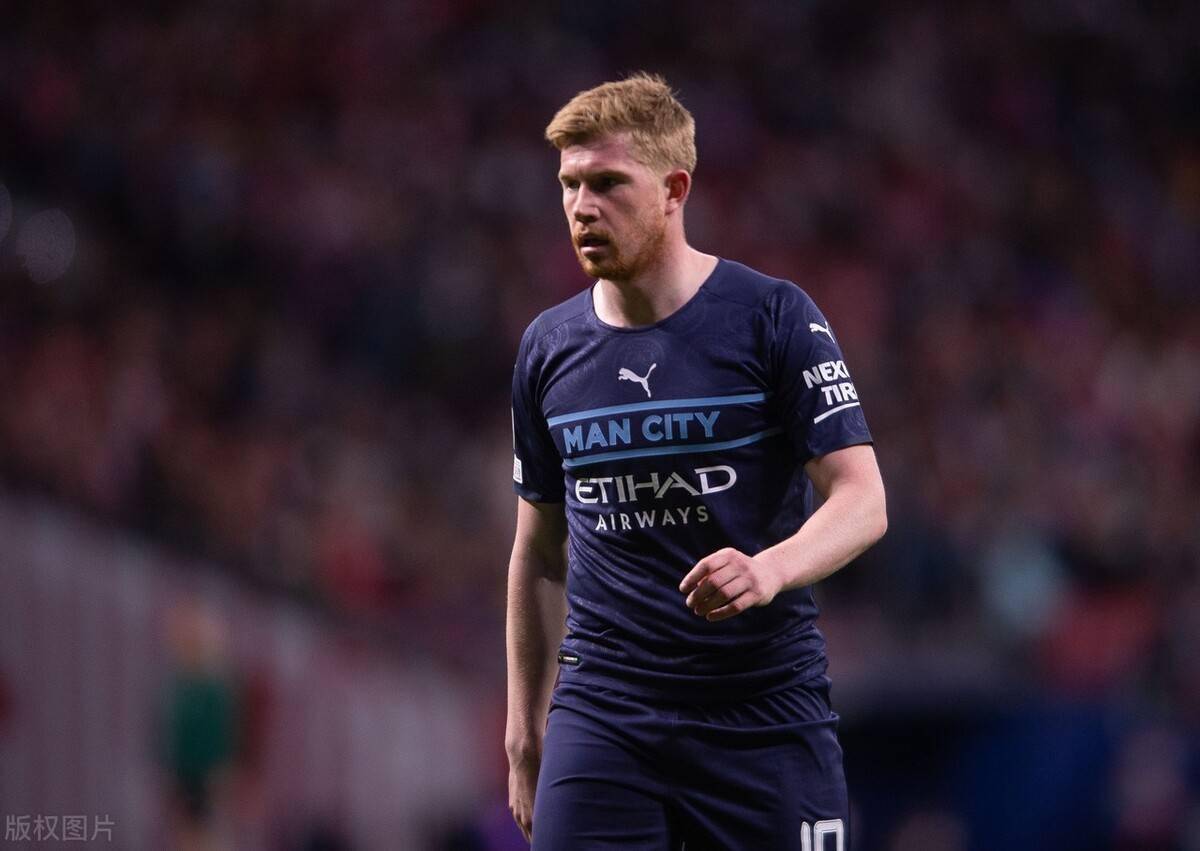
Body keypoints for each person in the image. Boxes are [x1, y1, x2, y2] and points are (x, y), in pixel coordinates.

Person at [505, 72, 887, 851]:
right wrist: (525, 726)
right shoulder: (547, 349)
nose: (582, 206)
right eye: (570, 184)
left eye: (608, 183)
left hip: (761, 710)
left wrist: (770, 568)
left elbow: (862, 498)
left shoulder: (772, 318)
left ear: (674, 189)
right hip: (605, 711)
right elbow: (539, 552)